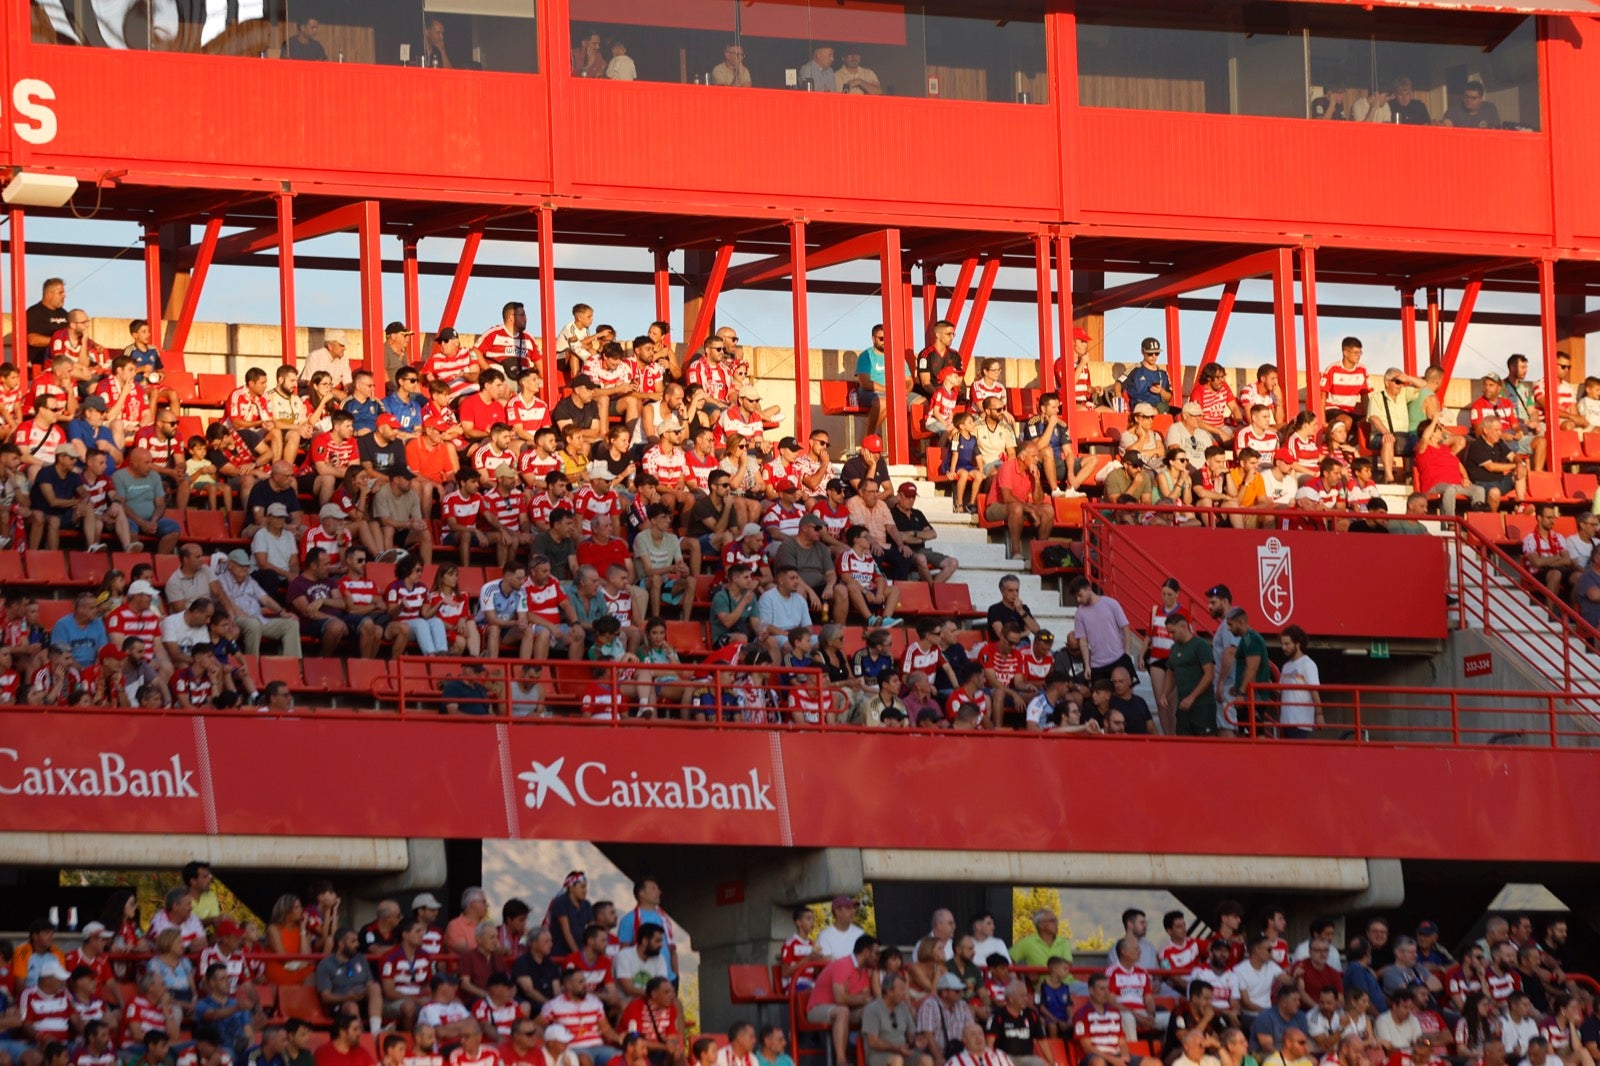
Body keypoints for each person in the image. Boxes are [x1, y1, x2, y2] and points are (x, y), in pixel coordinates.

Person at [808, 937, 881, 1066]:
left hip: (846, 1008)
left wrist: (865, 999)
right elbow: (841, 999)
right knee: (842, 1011)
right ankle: (841, 1061)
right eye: (876, 953)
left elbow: (865, 997)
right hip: (818, 1008)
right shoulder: (843, 964)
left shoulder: (863, 971)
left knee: (872, 1010)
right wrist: (863, 999)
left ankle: (873, 1060)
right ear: (865, 952)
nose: (878, 957)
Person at [1275, 625, 1321, 738]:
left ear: (1298, 644)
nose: (1284, 648)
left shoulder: (1308, 664)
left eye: (1287, 644)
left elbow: (1314, 691)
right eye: (1282, 644)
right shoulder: (1286, 666)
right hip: (1285, 722)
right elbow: (1279, 691)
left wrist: (1319, 714)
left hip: (1301, 722)